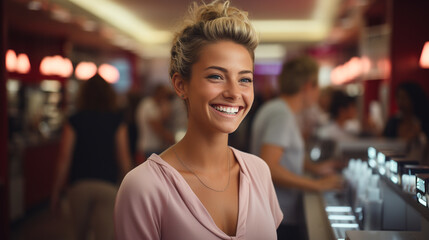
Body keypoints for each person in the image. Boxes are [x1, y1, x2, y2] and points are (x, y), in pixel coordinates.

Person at [114, 1, 283, 239]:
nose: (234, 93)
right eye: (216, 76)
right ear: (181, 85)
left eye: (245, 79)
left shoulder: (259, 172)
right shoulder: (144, 187)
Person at [250, 56, 343, 239]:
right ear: (308, 86)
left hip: (273, 211)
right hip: (277, 214)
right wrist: (315, 184)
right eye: (317, 87)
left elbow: (283, 157)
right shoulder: (281, 114)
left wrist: (314, 168)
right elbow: (269, 165)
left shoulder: (277, 108)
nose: (318, 93)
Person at [51, 74, 132, 240]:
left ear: (83, 94)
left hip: (79, 185)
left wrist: (56, 191)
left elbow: (64, 158)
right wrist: (130, 192)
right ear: (109, 95)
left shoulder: (74, 120)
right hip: (108, 185)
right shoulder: (117, 121)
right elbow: (124, 160)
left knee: (76, 235)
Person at [135, 84, 176, 159]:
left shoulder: (153, 105)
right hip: (150, 147)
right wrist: (174, 140)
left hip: (152, 147)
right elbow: (157, 128)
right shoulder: (149, 105)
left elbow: (164, 120)